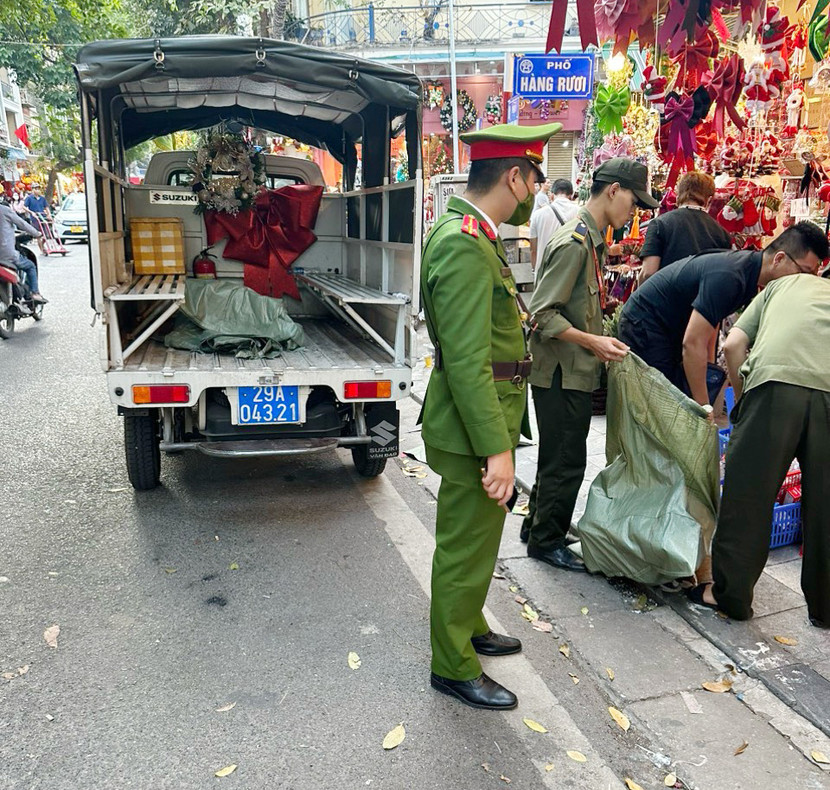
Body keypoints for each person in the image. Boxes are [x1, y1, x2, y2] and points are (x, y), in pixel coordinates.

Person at [420, 121, 563, 711]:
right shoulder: (462, 241)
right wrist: (497, 448)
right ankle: (452, 664)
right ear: (514, 176)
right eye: (534, 177)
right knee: (465, 545)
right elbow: (467, 361)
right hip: (472, 426)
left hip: (482, 418)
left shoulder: (471, 233)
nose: (535, 190)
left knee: (479, 540)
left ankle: (471, 623)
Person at [520, 158, 658, 570]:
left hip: (570, 371)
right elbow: (541, 314)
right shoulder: (575, 242)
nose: (633, 213)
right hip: (562, 373)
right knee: (566, 460)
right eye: (634, 202)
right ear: (613, 190)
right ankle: (546, 541)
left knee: (556, 456)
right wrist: (593, 341)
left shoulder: (591, 241)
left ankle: (538, 526)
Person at [687, 270, 830, 628]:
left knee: (747, 497)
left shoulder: (784, 285)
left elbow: (732, 345)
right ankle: (825, 608)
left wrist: (744, 400)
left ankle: (729, 596)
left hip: (773, 386)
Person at [618, 222, 828, 407]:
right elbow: (692, 344)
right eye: (803, 272)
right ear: (779, 259)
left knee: (676, 405)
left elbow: (709, 326)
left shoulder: (749, 272)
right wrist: (703, 408)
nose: (806, 282)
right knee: (663, 405)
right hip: (645, 323)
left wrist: (709, 373)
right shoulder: (731, 277)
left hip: (668, 326)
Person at [638, 171, 732, 282]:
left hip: (667, 295)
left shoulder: (660, 224)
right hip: (703, 297)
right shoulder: (722, 234)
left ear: (678, 195)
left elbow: (648, 272)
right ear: (709, 199)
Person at [0, 199, 46, 306]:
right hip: (6, 255)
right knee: (30, 266)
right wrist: (37, 234)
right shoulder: (5, 210)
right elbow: (22, 224)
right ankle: (35, 293)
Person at [529, 178, 579, 273]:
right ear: (571, 195)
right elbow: (580, 242)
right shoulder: (580, 213)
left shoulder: (537, 215)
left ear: (551, 195)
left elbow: (533, 249)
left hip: (544, 274)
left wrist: (534, 270)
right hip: (570, 274)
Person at [24, 185, 51, 254]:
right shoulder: (29, 198)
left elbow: (46, 207)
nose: (37, 190)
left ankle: (42, 244)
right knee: (38, 235)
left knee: (46, 235)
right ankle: (42, 250)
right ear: (32, 190)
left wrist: (49, 215)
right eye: (36, 189)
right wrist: (31, 212)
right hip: (35, 218)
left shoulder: (42, 198)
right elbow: (24, 207)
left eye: (38, 189)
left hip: (43, 217)